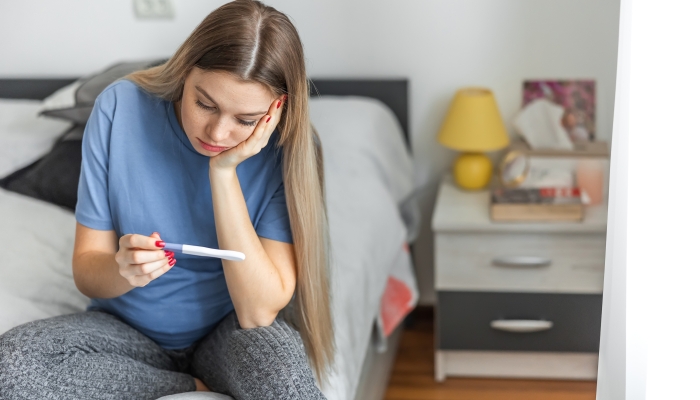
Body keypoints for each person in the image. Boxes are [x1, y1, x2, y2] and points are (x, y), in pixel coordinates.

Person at [0, 1, 333, 399]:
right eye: (204, 104)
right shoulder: (120, 108)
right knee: (13, 365)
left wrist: (223, 173)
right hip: (126, 330)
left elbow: (257, 312)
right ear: (184, 71)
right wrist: (123, 268)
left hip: (227, 330)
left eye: (245, 121)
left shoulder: (288, 151)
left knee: (284, 379)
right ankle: (182, 383)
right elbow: (88, 274)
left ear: (275, 111)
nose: (218, 132)